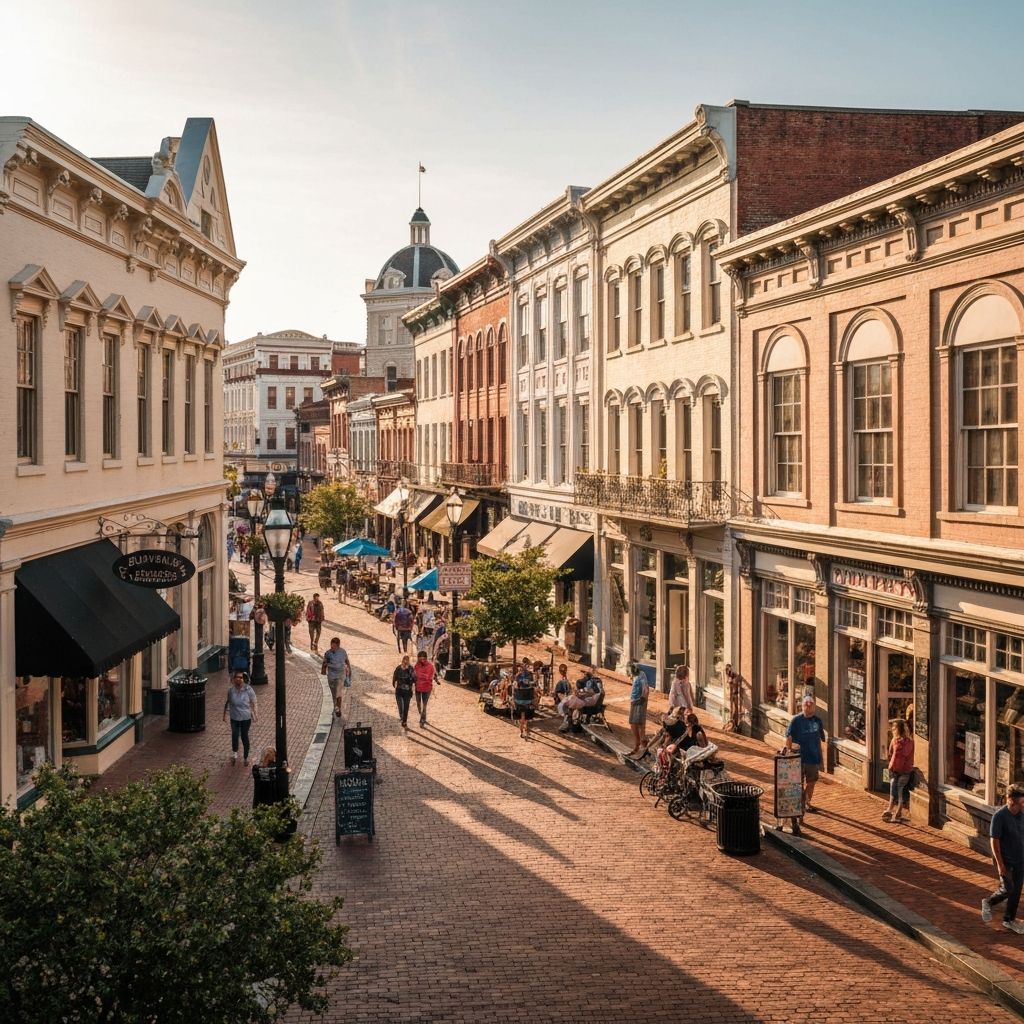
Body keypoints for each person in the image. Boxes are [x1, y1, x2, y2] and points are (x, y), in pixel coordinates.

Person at [981, 783, 1024, 934]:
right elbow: (994, 841)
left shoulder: (1022, 815)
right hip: (1005, 860)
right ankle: (988, 902)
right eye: (1021, 803)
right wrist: (1000, 864)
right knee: (1008, 889)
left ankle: (1009, 920)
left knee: (1017, 891)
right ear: (1011, 801)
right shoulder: (999, 817)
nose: (1023, 805)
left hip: (1020, 859)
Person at [784, 695, 826, 831]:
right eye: (806, 704)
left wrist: (821, 759)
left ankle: (805, 801)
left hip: (813, 758)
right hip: (799, 758)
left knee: (812, 782)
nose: (808, 706)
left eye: (811, 704)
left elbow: (821, 740)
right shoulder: (796, 720)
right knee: (797, 784)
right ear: (802, 706)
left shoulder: (818, 721)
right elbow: (788, 736)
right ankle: (801, 808)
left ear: (814, 706)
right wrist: (790, 750)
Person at [882, 719, 915, 823]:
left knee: (899, 790)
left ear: (899, 729)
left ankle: (896, 812)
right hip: (897, 770)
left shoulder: (904, 742)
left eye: (894, 727)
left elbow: (899, 754)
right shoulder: (897, 741)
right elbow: (891, 753)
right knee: (894, 789)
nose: (892, 729)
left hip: (903, 770)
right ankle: (891, 809)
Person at [223, 671, 258, 766]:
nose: (238, 679)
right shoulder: (231, 691)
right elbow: (228, 702)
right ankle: (234, 754)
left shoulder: (249, 690)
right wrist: (224, 715)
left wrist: (255, 714)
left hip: (245, 718)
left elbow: (254, 702)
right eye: (236, 677)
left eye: (241, 677)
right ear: (234, 679)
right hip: (234, 717)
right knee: (234, 734)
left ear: (244, 679)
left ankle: (246, 757)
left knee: (244, 736)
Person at [321, 636, 351, 718]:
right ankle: (336, 707)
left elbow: (347, 661)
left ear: (338, 646)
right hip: (331, 676)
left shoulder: (342, 652)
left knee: (338, 692)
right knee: (334, 694)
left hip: (340, 675)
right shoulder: (328, 653)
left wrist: (349, 672)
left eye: (334, 646)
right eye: (331, 646)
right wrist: (323, 669)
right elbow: (324, 662)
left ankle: (338, 709)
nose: (332, 648)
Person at [626, 662, 650, 757]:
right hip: (636, 702)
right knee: (636, 724)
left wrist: (641, 700)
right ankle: (640, 745)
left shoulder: (641, 676)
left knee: (638, 724)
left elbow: (646, 689)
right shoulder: (638, 676)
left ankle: (640, 746)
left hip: (638, 703)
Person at [513, 669, 538, 740]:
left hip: (518, 702)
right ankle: (526, 732)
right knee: (526, 720)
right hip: (527, 701)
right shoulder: (529, 682)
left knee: (521, 719)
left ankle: (521, 732)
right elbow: (533, 686)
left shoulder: (517, 681)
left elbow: (514, 690)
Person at [414, 649, 436, 727]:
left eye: (423, 658)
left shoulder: (430, 666)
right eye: (420, 658)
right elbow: (414, 676)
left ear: (426, 658)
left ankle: (422, 720)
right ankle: (422, 716)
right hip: (418, 688)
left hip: (427, 688)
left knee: (424, 705)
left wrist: (420, 676)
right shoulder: (416, 665)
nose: (422, 660)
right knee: (418, 704)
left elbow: (429, 677)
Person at [392, 654, 415, 730]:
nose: (405, 661)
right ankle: (402, 717)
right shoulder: (398, 668)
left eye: (407, 660)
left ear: (408, 661)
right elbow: (394, 676)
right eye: (404, 659)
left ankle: (404, 721)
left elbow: (414, 678)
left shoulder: (411, 669)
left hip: (407, 691)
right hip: (399, 690)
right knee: (400, 706)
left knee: (406, 707)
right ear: (402, 660)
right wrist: (393, 682)